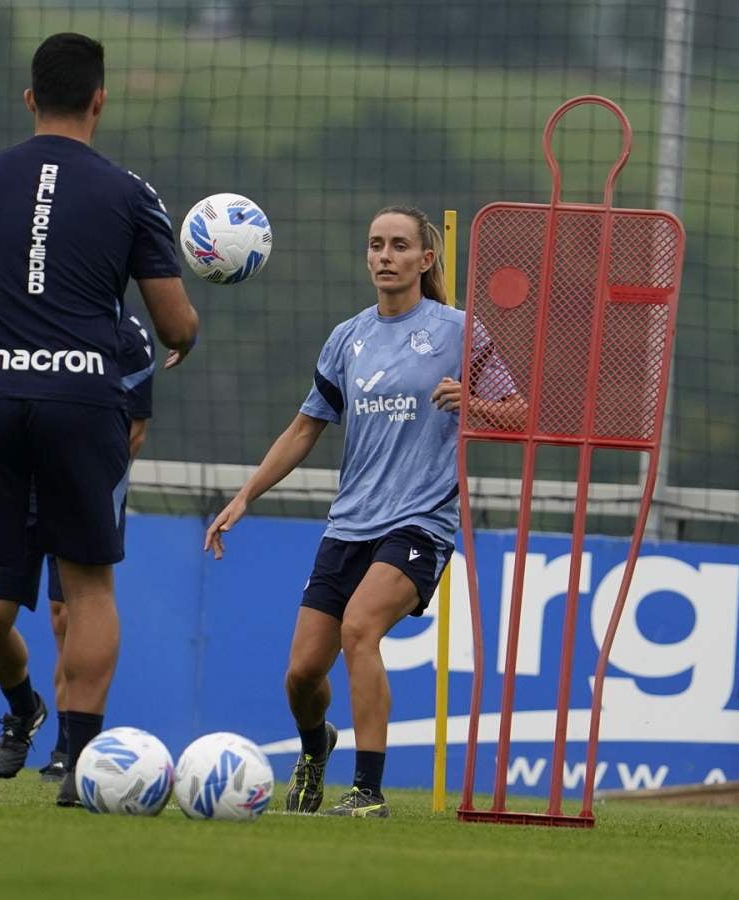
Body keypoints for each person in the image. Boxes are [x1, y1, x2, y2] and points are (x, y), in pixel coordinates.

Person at [0, 32, 199, 805]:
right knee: (89, 586)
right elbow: (173, 324)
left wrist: (8, 344)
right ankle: (80, 767)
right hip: (81, 400)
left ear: (30, 99)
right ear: (100, 99)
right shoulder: (131, 193)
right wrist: (183, 335)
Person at [204, 206, 518, 818]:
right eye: (375, 244)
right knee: (301, 675)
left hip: (421, 521)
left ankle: (368, 791)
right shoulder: (347, 338)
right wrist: (245, 497)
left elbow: (523, 412)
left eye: (399, 246)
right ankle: (316, 744)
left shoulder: (460, 330)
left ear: (425, 260)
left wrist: (474, 403)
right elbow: (303, 429)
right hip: (349, 523)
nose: (384, 255)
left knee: (359, 628)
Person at [0, 309, 157, 782]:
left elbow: (134, 431)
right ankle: (23, 709)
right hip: (16, 487)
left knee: (67, 614)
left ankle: (69, 749)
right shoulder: (22, 313)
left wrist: (81, 474)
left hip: (81, 486)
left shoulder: (129, 335)